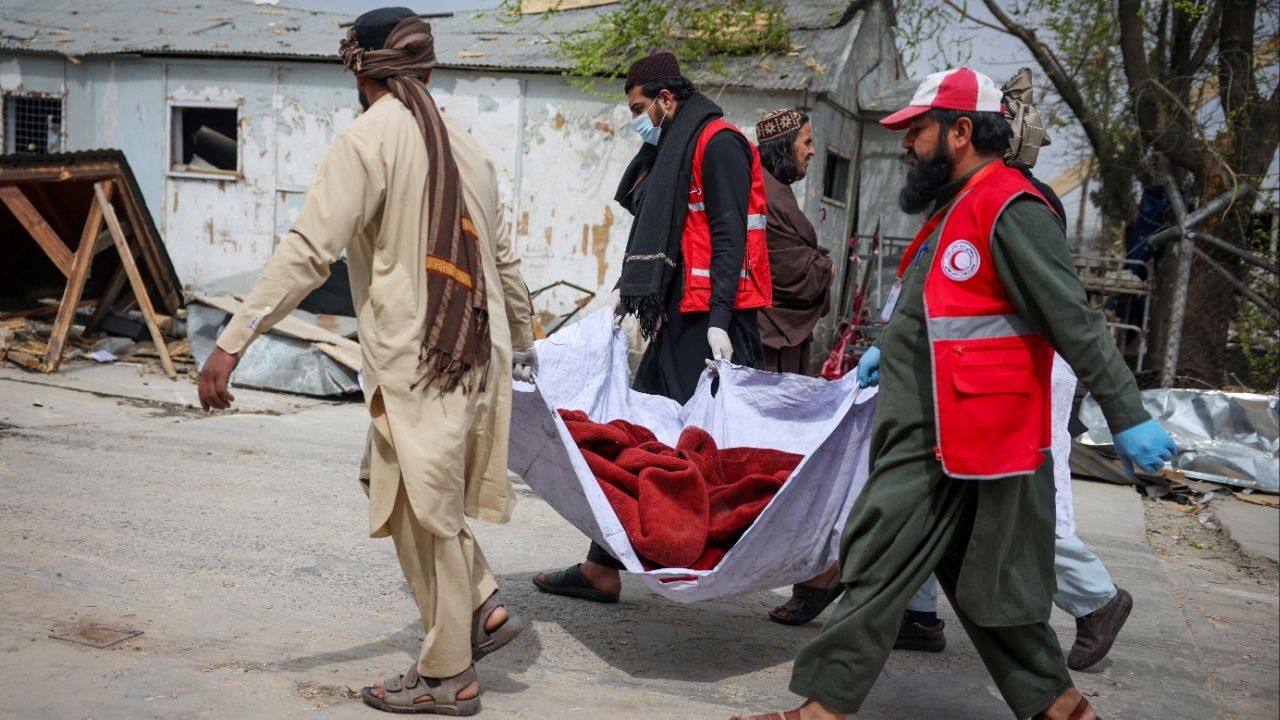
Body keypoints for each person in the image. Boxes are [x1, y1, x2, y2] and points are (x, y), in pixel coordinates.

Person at [732, 67, 1176, 720]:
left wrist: (1127, 414)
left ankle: (823, 713)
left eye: (916, 130)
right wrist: (896, 346)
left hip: (974, 438)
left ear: (961, 131)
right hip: (940, 436)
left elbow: (1073, 320)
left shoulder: (1011, 207)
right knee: (958, 585)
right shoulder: (959, 205)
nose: (905, 145)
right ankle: (1059, 708)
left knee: (899, 566)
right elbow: (938, 300)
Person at [196, 8, 536, 715]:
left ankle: (450, 675)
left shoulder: (366, 141)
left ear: (359, 68)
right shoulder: (468, 149)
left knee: (427, 507)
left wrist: (233, 340)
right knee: (388, 481)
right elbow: (504, 261)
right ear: (428, 68)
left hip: (425, 356)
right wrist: (526, 344)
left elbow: (306, 252)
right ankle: (478, 604)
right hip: (477, 349)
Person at [532, 51, 772, 603]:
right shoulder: (672, 150)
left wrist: (719, 323)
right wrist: (627, 290)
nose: (636, 119)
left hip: (712, 328)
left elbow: (730, 237)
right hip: (674, 318)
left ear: (668, 99)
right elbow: (664, 234)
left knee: (722, 448)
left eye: (640, 107)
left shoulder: (719, 144)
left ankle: (807, 564)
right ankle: (601, 565)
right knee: (637, 439)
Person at [754, 108, 833, 375]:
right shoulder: (764, 193)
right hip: (767, 345)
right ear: (784, 145)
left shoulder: (775, 187)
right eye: (807, 142)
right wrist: (825, 268)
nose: (812, 152)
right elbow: (791, 270)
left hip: (779, 343)